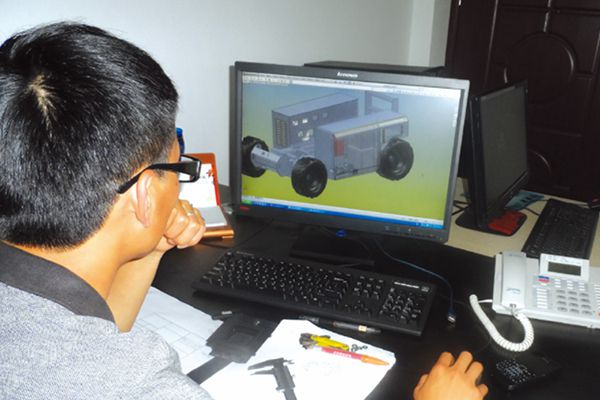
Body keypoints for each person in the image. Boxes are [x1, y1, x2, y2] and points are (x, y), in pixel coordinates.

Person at [0, 22, 487, 400]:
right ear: (145, 194)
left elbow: (98, 331)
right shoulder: (140, 385)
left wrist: (150, 246)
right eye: (177, 166)